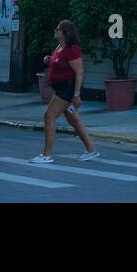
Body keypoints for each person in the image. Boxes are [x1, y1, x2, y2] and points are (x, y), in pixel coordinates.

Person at [31, 20, 99, 164]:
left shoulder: (72, 49)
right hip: (61, 89)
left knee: (49, 117)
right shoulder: (60, 47)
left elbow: (79, 72)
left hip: (67, 90)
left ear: (64, 33)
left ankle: (46, 155)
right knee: (74, 120)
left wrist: (76, 95)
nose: (55, 30)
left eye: (58, 29)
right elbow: (57, 62)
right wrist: (49, 60)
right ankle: (91, 150)